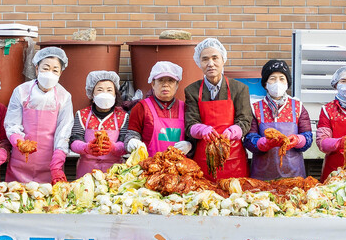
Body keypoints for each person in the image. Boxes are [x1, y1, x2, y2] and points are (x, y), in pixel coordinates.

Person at [184, 38, 252, 180]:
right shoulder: (192, 91)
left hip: (233, 160)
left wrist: (234, 131)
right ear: (199, 63)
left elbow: (245, 120)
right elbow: (190, 123)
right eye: (205, 59)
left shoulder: (239, 89)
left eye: (215, 58)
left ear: (223, 60)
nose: (211, 64)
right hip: (204, 160)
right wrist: (201, 130)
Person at [5, 46, 74, 184]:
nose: (50, 73)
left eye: (55, 70)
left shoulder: (64, 96)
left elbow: (64, 131)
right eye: (45, 68)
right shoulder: (21, 91)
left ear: (60, 73)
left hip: (50, 163)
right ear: (36, 68)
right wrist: (19, 142)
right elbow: (12, 124)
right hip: (20, 162)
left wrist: (57, 163)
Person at [244, 59, 311, 179]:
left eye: (281, 78)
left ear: (287, 83)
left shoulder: (298, 107)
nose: (277, 82)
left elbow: (308, 136)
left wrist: (298, 140)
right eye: (272, 78)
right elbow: (249, 139)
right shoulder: (255, 108)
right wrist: (263, 143)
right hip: (262, 174)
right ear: (265, 83)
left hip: (293, 174)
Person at [122, 61, 191, 157]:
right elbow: (131, 134)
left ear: (177, 85)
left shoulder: (185, 108)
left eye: (170, 81)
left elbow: (193, 137)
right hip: (149, 166)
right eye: (161, 80)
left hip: (178, 168)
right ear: (153, 84)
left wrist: (190, 145)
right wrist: (131, 142)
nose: (165, 84)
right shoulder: (142, 107)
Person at [70, 70, 129, 177]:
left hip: (113, 172)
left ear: (115, 95)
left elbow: (125, 144)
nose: (105, 94)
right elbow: (74, 142)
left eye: (109, 90)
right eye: (100, 90)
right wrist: (87, 147)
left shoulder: (123, 116)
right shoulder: (82, 114)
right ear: (92, 94)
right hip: (86, 172)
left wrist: (113, 147)